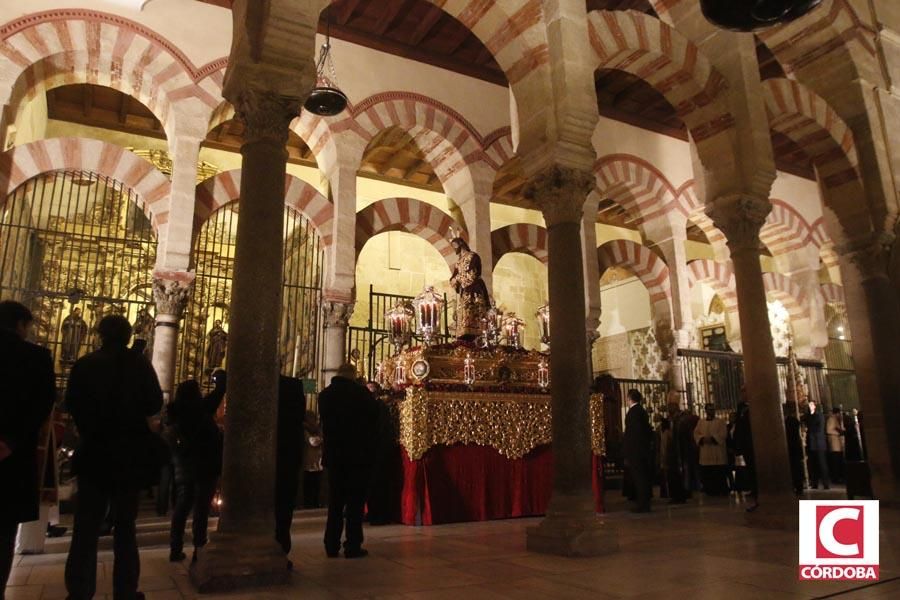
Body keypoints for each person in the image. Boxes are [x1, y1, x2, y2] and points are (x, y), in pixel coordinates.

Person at [64, 315, 163, 600]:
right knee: (125, 527)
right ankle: (126, 590)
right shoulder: (139, 365)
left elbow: (72, 403)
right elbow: (155, 402)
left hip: (94, 451)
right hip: (128, 454)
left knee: (85, 526)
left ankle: (80, 590)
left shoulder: (85, 364)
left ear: (99, 334)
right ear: (129, 336)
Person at [0, 301, 56, 600]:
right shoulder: (36, 358)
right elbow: (44, 403)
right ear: (21, 324)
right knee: (3, 530)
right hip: (13, 454)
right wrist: (11, 440)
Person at [318, 364, 380, 558]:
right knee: (355, 503)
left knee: (335, 503)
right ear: (353, 376)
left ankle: (331, 544)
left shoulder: (325, 396)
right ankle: (352, 545)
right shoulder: (361, 395)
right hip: (358, 457)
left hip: (334, 456)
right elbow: (375, 418)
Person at [166, 373, 225, 564]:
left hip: (183, 466)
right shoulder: (201, 409)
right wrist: (221, 378)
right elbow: (219, 392)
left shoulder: (175, 413)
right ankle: (199, 548)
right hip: (205, 465)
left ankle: (175, 548)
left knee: (182, 508)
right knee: (201, 509)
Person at [275, 374, 306, 564]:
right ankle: (281, 547)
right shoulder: (292, 387)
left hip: (278, 453)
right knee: (283, 506)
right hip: (288, 455)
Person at [448, 235, 490, 340]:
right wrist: (454, 281)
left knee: (473, 310)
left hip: (474, 289)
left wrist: (457, 279)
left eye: (455, 245)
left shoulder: (473, 256)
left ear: (461, 244)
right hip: (464, 290)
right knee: (464, 313)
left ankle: (477, 333)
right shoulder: (458, 262)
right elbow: (454, 276)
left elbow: (472, 273)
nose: (455, 249)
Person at [623, 389, 653, 513]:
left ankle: (642, 504)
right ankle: (644, 502)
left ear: (630, 398)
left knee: (639, 478)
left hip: (636, 451)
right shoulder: (641, 411)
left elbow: (633, 434)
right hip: (642, 450)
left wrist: (628, 451)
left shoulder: (633, 412)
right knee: (643, 477)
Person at [693, 404, 729, 496]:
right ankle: (709, 490)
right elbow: (696, 433)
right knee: (707, 473)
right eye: (709, 409)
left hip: (717, 452)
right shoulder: (701, 422)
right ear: (706, 411)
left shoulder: (720, 422)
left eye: (712, 409)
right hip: (706, 451)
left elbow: (723, 434)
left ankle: (720, 490)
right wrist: (702, 439)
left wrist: (713, 439)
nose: (711, 411)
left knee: (718, 473)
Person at [733, 391, 757, 505]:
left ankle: (758, 488)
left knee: (755, 465)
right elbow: (739, 425)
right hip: (744, 442)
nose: (742, 394)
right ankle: (753, 487)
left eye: (744, 392)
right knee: (749, 466)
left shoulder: (755, 406)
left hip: (752, 440)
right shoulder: (741, 408)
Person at [804, 400, 830, 489]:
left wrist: (809, 429)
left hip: (818, 443)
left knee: (822, 463)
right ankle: (814, 483)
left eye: (811, 405)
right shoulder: (808, 416)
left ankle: (825, 483)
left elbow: (819, 428)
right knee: (813, 464)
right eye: (809, 405)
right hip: (811, 443)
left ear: (815, 406)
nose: (810, 406)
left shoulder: (819, 416)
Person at [302, 411, 323, 509]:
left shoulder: (318, 429)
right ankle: (308, 503)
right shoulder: (305, 430)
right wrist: (320, 439)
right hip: (309, 462)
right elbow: (312, 441)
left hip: (318, 461)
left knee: (316, 485)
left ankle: (315, 502)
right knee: (309, 484)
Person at [784, 401, 805, 495]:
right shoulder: (793, 420)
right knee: (795, 467)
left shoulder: (790, 421)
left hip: (792, 447)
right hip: (794, 446)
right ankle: (797, 485)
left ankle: (798, 486)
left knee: (795, 467)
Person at [826, 407, 845, 484]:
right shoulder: (831, 419)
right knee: (835, 462)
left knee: (838, 462)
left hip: (837, 444)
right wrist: (839, 433)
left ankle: (838, 477)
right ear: (837, 413)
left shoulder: (835, 419)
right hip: (834, 444)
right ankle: (835, 478)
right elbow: (829, 430)